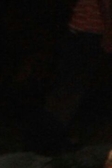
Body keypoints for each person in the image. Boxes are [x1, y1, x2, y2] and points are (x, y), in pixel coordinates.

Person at [26, 0, 112, 155]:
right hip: (90, 32)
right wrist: (109, 31)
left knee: (66, 87)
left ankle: (46, 137)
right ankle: (50, 140)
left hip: (79, 29)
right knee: (72, 89)